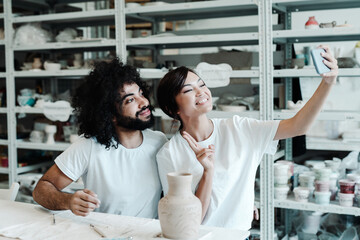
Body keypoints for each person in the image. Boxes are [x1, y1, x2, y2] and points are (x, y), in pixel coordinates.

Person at [156, 45, 338, 231]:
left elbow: (298, 126)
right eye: (188, 90)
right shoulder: (169, 154)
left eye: (201, 84)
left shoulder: (239, 128)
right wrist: (208, 172)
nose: (201, 92)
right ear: (173, 109)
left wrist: (328, 83)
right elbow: (189, 223)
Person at [33, 58, 168, 218]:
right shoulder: (88, 146)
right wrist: (68, 201)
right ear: (110, 115)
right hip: (104, 233)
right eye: (130, 100)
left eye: (141, 93)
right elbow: (41, 189)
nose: (144, 102)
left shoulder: (159, 141)